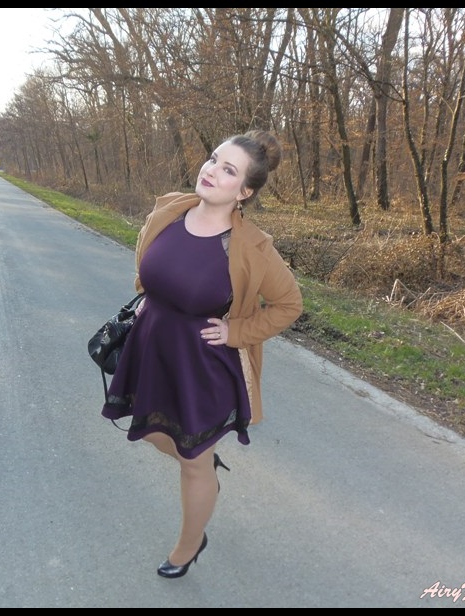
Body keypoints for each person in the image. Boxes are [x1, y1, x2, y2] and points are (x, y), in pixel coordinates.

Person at [101, 129, 303, 578]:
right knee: (152, 431)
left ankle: (188, 546)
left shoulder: (252, 247)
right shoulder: (170, 211)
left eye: (228, 170)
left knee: (191, 461)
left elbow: (290, 305)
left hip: (204, 365)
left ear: (244, 191)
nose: (211, 170)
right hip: (153, 347)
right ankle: (204, 463)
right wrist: (151, 297)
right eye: (213, 159)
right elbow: (147, 266)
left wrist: (236, 331)